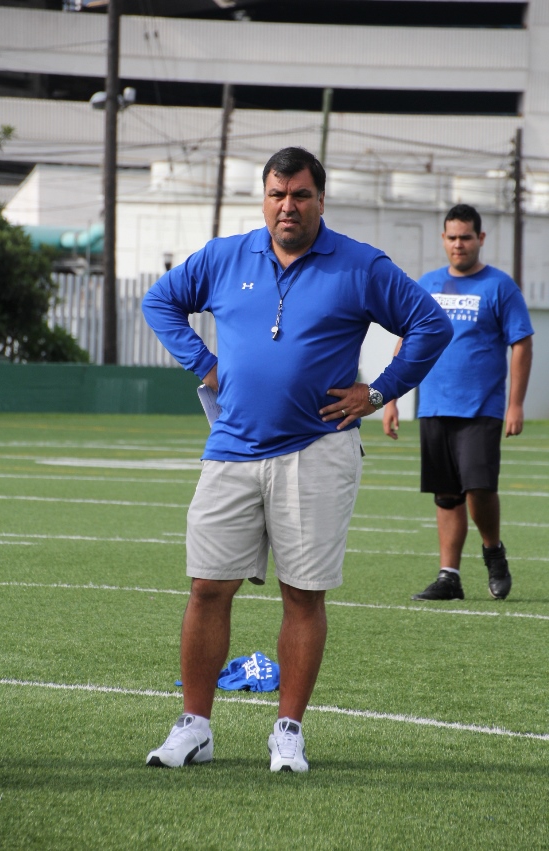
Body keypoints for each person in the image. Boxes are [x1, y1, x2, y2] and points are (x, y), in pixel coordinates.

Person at [142, 146, 453, 772]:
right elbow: (159, 302)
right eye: (278, 194)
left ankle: (288, 730)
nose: (289, 206)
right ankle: (194, 726)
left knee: (303, 594)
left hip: (317, 450)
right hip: (231, 445)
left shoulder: (360, 264)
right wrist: (203, 364)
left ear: (320, 199)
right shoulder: (226, 256)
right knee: (207, 587)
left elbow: (430, 324)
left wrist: (380, 390)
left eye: (301, 195)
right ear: (265, 198)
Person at [383, 203, 534, 603]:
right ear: (443, 240)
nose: (458, 244)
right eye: (451, 237)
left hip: (481, 407)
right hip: (434, 405)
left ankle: (492, 550)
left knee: (479, 488)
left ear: (480, 239)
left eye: (466, 237)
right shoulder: (428, 284)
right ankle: (449, 576)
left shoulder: (500, 286)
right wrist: (391, 398)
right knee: (446, 495)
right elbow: (407, 340)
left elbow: (521, 343)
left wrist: (515, 404)